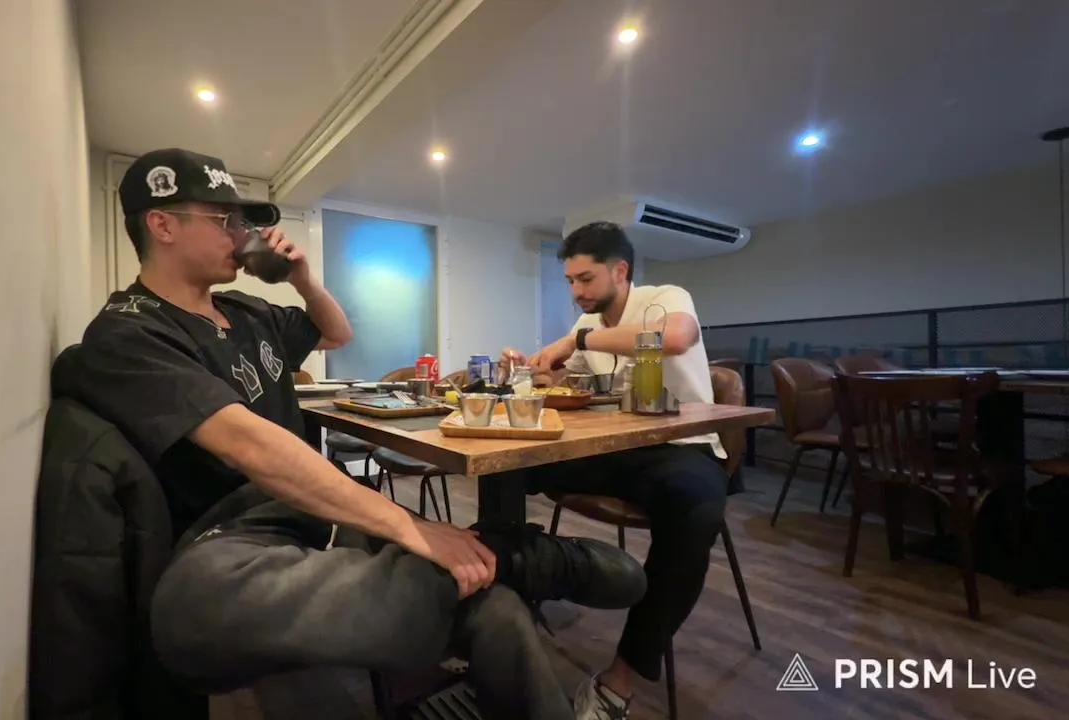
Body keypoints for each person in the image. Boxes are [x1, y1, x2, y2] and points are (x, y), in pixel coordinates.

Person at [55, 148, 649, 719]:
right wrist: (410, 526)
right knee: (190, 610)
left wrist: (303, 279)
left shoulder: (247, 310)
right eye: (223, 220)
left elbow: (336, 333)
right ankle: (512, 557)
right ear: (162, 224)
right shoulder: (130, 332)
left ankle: (488, 563)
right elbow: (248, 444)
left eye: (241, 221)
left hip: (320, 510)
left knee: (475, 599)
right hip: (232, 534)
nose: (239, 234)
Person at [499, 221, 730, 720]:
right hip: (611, 449)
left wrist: (579, 339)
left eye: (585, 279)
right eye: (570, 281)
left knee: (697, 510)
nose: (576, 291)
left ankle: (619, 681)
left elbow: (677, 338)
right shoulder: (590, 324)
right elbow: (566, 383)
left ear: (620, 271)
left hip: (679, 446)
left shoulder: (664, 298)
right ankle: (506, 597)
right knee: (508, 465)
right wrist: (532, 370)